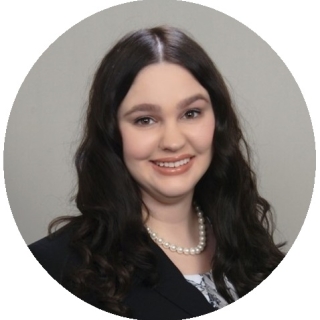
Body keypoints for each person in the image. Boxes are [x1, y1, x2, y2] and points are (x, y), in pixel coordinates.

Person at [29, 26, 285, 319]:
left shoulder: (252, 245)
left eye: (191, 113)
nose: (173, 141)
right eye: (145, 119)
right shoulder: (50, 269)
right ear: (113, 133)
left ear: (218, 120)